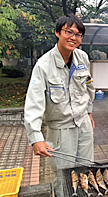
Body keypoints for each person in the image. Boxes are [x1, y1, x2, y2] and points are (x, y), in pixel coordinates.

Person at [24, 14, 95, 197]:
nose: (73, 37)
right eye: (68, 32)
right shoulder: (43, 65)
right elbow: (33, 102)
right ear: (57, 33)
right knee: (64, 176)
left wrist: (89, 112)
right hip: (60, 130)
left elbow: (88, 85)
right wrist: (36, 137)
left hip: (84, 125)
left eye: (78, 34)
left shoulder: (82, 58)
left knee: (86, 169)